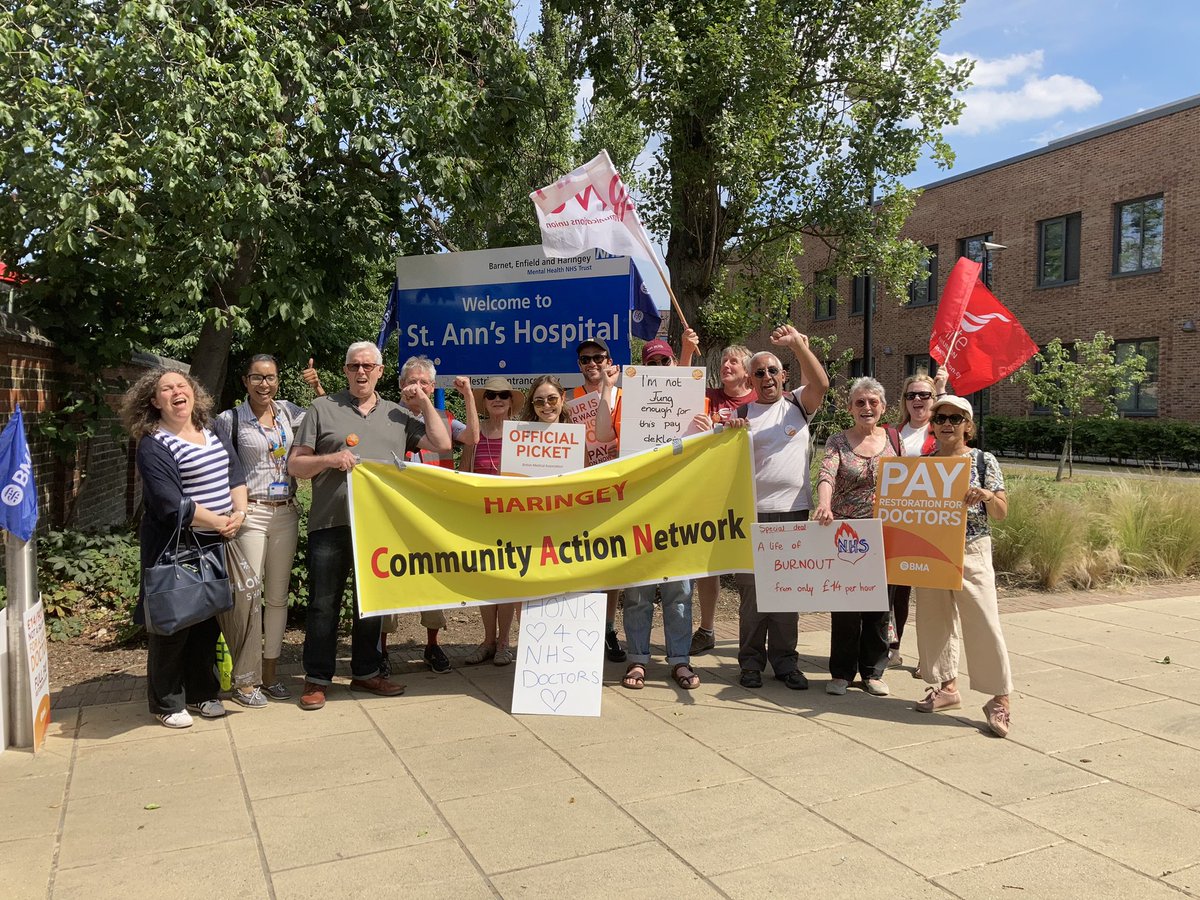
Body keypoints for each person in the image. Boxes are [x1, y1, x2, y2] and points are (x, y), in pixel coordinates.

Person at [287, 341, 450, 711]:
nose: (361, 372)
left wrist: (424, 400)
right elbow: (296, 466)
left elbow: (441, 444)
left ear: (379, 372)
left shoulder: (396, 414)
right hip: (331, 521)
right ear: (345, 371)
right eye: (354, 366)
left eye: (368, 366)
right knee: (323, 604)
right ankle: (317, 680)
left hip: (379, 527)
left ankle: (365, 672)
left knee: (371, 604)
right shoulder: (322, 409)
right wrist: (330, 459)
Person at [122, 367, 246, 728]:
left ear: (193, 393)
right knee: (173, 621)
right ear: (154, 401)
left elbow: (234, 474)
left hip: (216, 539)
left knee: (207, 618)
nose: (177, 391)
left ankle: (203, 693)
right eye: (167, 388)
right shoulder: (153, 443)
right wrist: (220, 521)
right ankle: (166, 700)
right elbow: (170, 504)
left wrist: (238, 512)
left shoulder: (213, 429)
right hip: (174, 544)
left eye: (182, 385)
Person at [728, 325, 829, 691]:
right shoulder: (740, 413)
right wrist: (731, 432)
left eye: (773, 370)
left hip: (793, 511)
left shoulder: (798, 404)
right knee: (753, 595)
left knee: (787, 592)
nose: (767, 377)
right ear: (750, 379)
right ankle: (751, 663)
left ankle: (786, 663)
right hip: (753, 515)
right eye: (759, 372)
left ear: (783, 376)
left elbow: (822, 383)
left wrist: (799, 344)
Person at [213, 354, 316, 705]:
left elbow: (326, 419)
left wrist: (316, 385)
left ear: (278, 380)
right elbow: (220, 465)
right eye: (257, 378)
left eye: (270, 377)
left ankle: (270, 673)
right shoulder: (230, 419)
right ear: (245, 381)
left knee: (277, 597)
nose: (264, 384)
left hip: (286, 511)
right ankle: (245, 677)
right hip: (250, 513)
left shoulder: (289, 412)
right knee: (247, 595)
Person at [913, 395, 1014, 738]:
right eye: (940, 417)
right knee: (933, 619)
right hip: (932, 547)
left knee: (984, 621)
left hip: (971, 547)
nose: (946, 424)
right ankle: (947, 687)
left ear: (968, 426)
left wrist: (986, 495)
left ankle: (1000, 698)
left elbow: (1001, 511)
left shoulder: (984, 461)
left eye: (955, 419)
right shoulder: (924, 463)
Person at [387, 355, 479, 674]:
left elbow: (471, 438)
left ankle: (432, 644)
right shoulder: (385, 416)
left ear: (431, 386)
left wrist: (468, 395)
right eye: (411, 381)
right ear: (401, 386)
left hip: (432, 514)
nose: (417, 387)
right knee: (388, 579)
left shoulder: (444, 417)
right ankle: (381, 649)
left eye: (424, 382)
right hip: (393, 513)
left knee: (433, 579)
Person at [618, 338, 701, 691]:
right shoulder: (629, 402)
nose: (659, 369)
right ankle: (638, 658)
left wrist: (706, 430)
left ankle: (680, 660)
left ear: (672, 365)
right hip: (640, 507)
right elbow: (616, 438)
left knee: (679, 590)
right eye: (652, 363)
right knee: (637, 591)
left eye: (664, 362)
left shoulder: (697, 404)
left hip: (680, 508)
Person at [813, 377, 896, 697]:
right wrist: (823, 503)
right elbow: (826, 474)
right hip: (846, 535)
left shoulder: (893, 440)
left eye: (873, 402)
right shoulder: (838, 441)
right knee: (846, 606)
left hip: (884, 534)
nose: (866, 407)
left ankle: (873, 671)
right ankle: (842, 672)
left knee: (878, 606)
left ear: (883, 407)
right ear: (849, 407)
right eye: (860, 402)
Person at [891, 370, 959, 675]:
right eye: (911, 395)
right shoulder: (892, 434)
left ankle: (930, 658)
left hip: (935, 525)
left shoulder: (942, 433)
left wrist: (943, 389)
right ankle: (892, 648)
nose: (917, 400)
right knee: (896, 593)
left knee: (933, 598)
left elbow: (957, 444)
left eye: (924, 395)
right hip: (900, 523)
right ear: (904, 401)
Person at [690, 343, 756, 655]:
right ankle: (707, 629)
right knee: (708, 564)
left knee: (749, 569)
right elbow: (671, 389)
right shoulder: (708, 396)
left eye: (733, 362)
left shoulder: (758, 402)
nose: (726, 366)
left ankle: (753, 635)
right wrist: (688, 351)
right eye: (724, 361)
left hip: (745, 493)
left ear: (747, 370)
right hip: (708, 492)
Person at [459, 376, 523, 666]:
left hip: (514, 516)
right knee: (485, 581)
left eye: (504, 395)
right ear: (484, 402)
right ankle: (487, 640)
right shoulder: (475, 433)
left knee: (508, 582)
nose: (497, 399)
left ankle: (505, 643)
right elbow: (463, 469)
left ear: (511, 401)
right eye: (491, 395)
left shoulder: (522, 432)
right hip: (482, 516)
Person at [571, 337, 626, 663]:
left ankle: (606, 629)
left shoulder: (624, 397)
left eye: (598, 357)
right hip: (580, 494)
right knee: (583, 564)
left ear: (609, 360)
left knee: (612, 567)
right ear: (579, 365)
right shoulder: (567, 399)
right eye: (586, 359)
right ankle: (582, 629)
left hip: (615, 492)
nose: (592, 363)